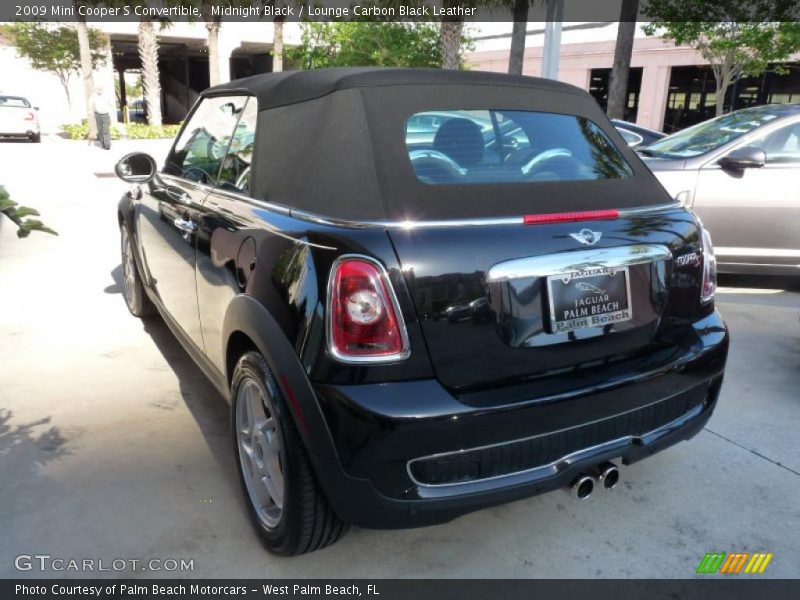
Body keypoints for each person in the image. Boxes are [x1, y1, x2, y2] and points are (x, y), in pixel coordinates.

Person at [91, 83, 113, 150]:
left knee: (106, 130)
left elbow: (111, 105)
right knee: (100, 130)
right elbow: (92, 106)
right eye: (98, 88)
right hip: (97, 115)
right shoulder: (94, 96)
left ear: (103, 89)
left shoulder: (107, 96)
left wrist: (112, 115)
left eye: (100, 88)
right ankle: (102, 143)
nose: (99, 90)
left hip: (105, 115)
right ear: (96, 89)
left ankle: (107, 145)